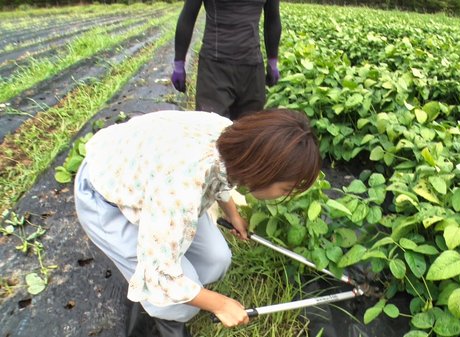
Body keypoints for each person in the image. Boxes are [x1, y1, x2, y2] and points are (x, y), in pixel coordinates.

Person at [74, 109, 321, 337]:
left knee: (217, 259)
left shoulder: (237, 143)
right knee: (176, 303)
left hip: (153, 182)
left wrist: (233, 214)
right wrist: (220, 304)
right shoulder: (181, 184)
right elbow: (161, 274)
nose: (285, 195)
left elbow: (224, 174)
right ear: (265, 170)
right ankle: (160, 320)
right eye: (286, 188)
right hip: (108, 193)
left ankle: (181, 293)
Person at [171, 0, 282, 120]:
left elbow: (272, 19)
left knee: (249, 130)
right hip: (214, 70)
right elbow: (189, 15)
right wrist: (179, 63)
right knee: (211, 129)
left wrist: (273, 62)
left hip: (251, 71)